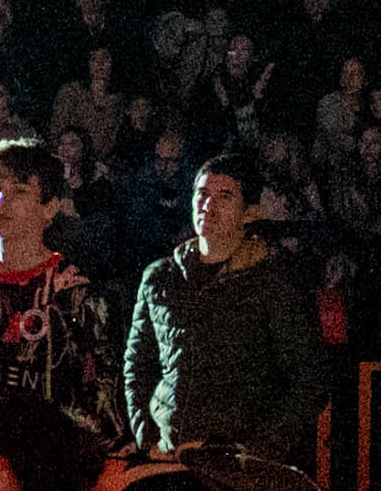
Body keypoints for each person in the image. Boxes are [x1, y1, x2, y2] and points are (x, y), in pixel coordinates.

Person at [125, 153, 325, 465]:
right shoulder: (160, 277)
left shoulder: (273, 281)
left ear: (250, 212)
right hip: (169, 458)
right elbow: (137, 367)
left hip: (239, 467)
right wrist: (147, 438)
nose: (208, 205)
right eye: (201, 194)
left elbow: (308, 379)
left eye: (224, 196)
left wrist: (257, 452)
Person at [0, 139, 121, 444]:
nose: (1, 201)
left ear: (49, 206)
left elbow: (104, 399)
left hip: (51, 468)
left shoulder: (77, 296)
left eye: (19, 191)